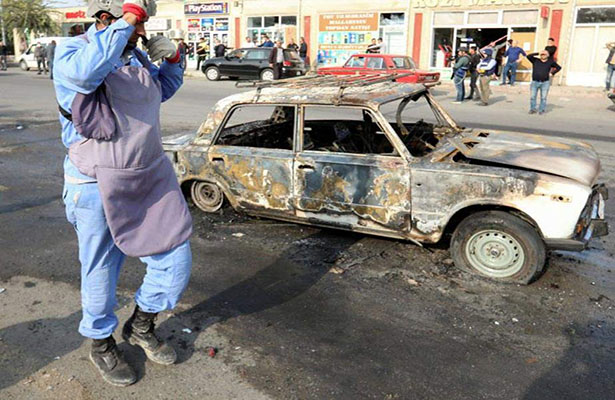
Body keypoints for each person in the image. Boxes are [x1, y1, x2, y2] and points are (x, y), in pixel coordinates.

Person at [53, 0, 192, 387]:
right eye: (138, 24)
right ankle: (100, 343)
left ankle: (142, 325)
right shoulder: (73, 53)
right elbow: (83, 78)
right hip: (95, 182)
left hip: (149, 177)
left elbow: (160, 91)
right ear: (105, 18)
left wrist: (173, 59)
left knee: (176, 258)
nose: (144, 33)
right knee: (101, 269)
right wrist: (127, 19)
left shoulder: (135, 58)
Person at [526, 50, 562, 115]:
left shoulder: (550, 62)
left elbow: (559, 67)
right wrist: (538, 53)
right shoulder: (535, 60)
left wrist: (552, 73)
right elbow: (528, 56)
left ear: (548, 55)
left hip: (545, 83)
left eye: (544, 54)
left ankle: (541, 110)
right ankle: (532, 109)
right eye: (542, 54)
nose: (543, 55)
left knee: (543, 97)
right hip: (535, 82)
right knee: (533, 97)